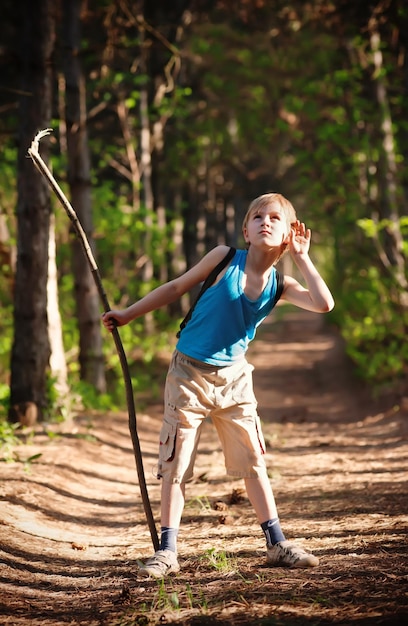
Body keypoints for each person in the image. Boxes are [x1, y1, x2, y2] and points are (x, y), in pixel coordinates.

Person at [102, 192, 335, 578]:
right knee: (175, 463)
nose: (265, 221)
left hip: (235, 381)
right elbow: (176, 287)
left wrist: (303, 257)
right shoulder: (224, 258)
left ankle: (277, 544)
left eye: (275, 218)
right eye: (257, 216)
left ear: (288, 233)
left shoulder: (281, 283)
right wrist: (127, 314)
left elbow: (323, 304)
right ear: (245, 229)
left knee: (254, 461)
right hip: (187, 375)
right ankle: (167, 552)